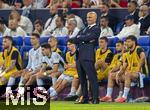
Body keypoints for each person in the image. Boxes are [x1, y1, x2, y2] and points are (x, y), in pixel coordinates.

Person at [70, 11, 100, 104]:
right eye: (87, 17)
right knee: (82, 79)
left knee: (92, 78)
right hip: (79, 55)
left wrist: (80, 38)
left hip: (88, 55)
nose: (88, 19)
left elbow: (90, 37)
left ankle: (95, 98)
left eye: (90, 17)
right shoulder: (83, 29)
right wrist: (83, 38)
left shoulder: (96, 28)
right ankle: (85, 98)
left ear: (95, 18)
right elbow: (73, 39)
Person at [115, 35, 149, 103]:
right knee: (119, 76)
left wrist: (138, 69)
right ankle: (124, 96)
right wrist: (118, 74)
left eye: (128, 41)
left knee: (128, 74)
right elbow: (124, 66)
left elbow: (143, 57)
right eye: (126, 42)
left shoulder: (139, 49)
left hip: (142, 73)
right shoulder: (127, 53)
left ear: (134, 42)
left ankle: (124, 97)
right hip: (131, 74)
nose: (127, 43)